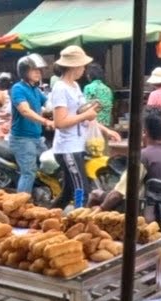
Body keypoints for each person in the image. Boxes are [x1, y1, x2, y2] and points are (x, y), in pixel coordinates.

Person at [100, 106, 161, 237]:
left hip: (150, 215)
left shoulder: (144, 156)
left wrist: (99, 209)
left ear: (144, 131)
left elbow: (117, 195)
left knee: (97, 195)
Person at [49, 46, 120, 209]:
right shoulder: (60, 88)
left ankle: (45, 219)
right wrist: (85, 115)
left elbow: (85, 114)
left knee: (68, 192)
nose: (84, 69)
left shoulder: (75, 86)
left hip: (76, 146)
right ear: (74, 66)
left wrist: (106, 130)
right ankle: (78, 220)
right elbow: (59, 122)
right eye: (82, 66)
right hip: (67, 148)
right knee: (82, 189)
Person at [10, 54, 53, 194]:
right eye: (33, 70)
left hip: (37, 137)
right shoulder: (18, 88)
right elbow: (25, 111)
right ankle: (20, 207)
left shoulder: (35, 89)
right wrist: (46, 121)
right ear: (24, 71)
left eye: (39, 70)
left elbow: (49, 105)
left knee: (50, 166)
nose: (38, 73)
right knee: (29, 172)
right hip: (22, 139)